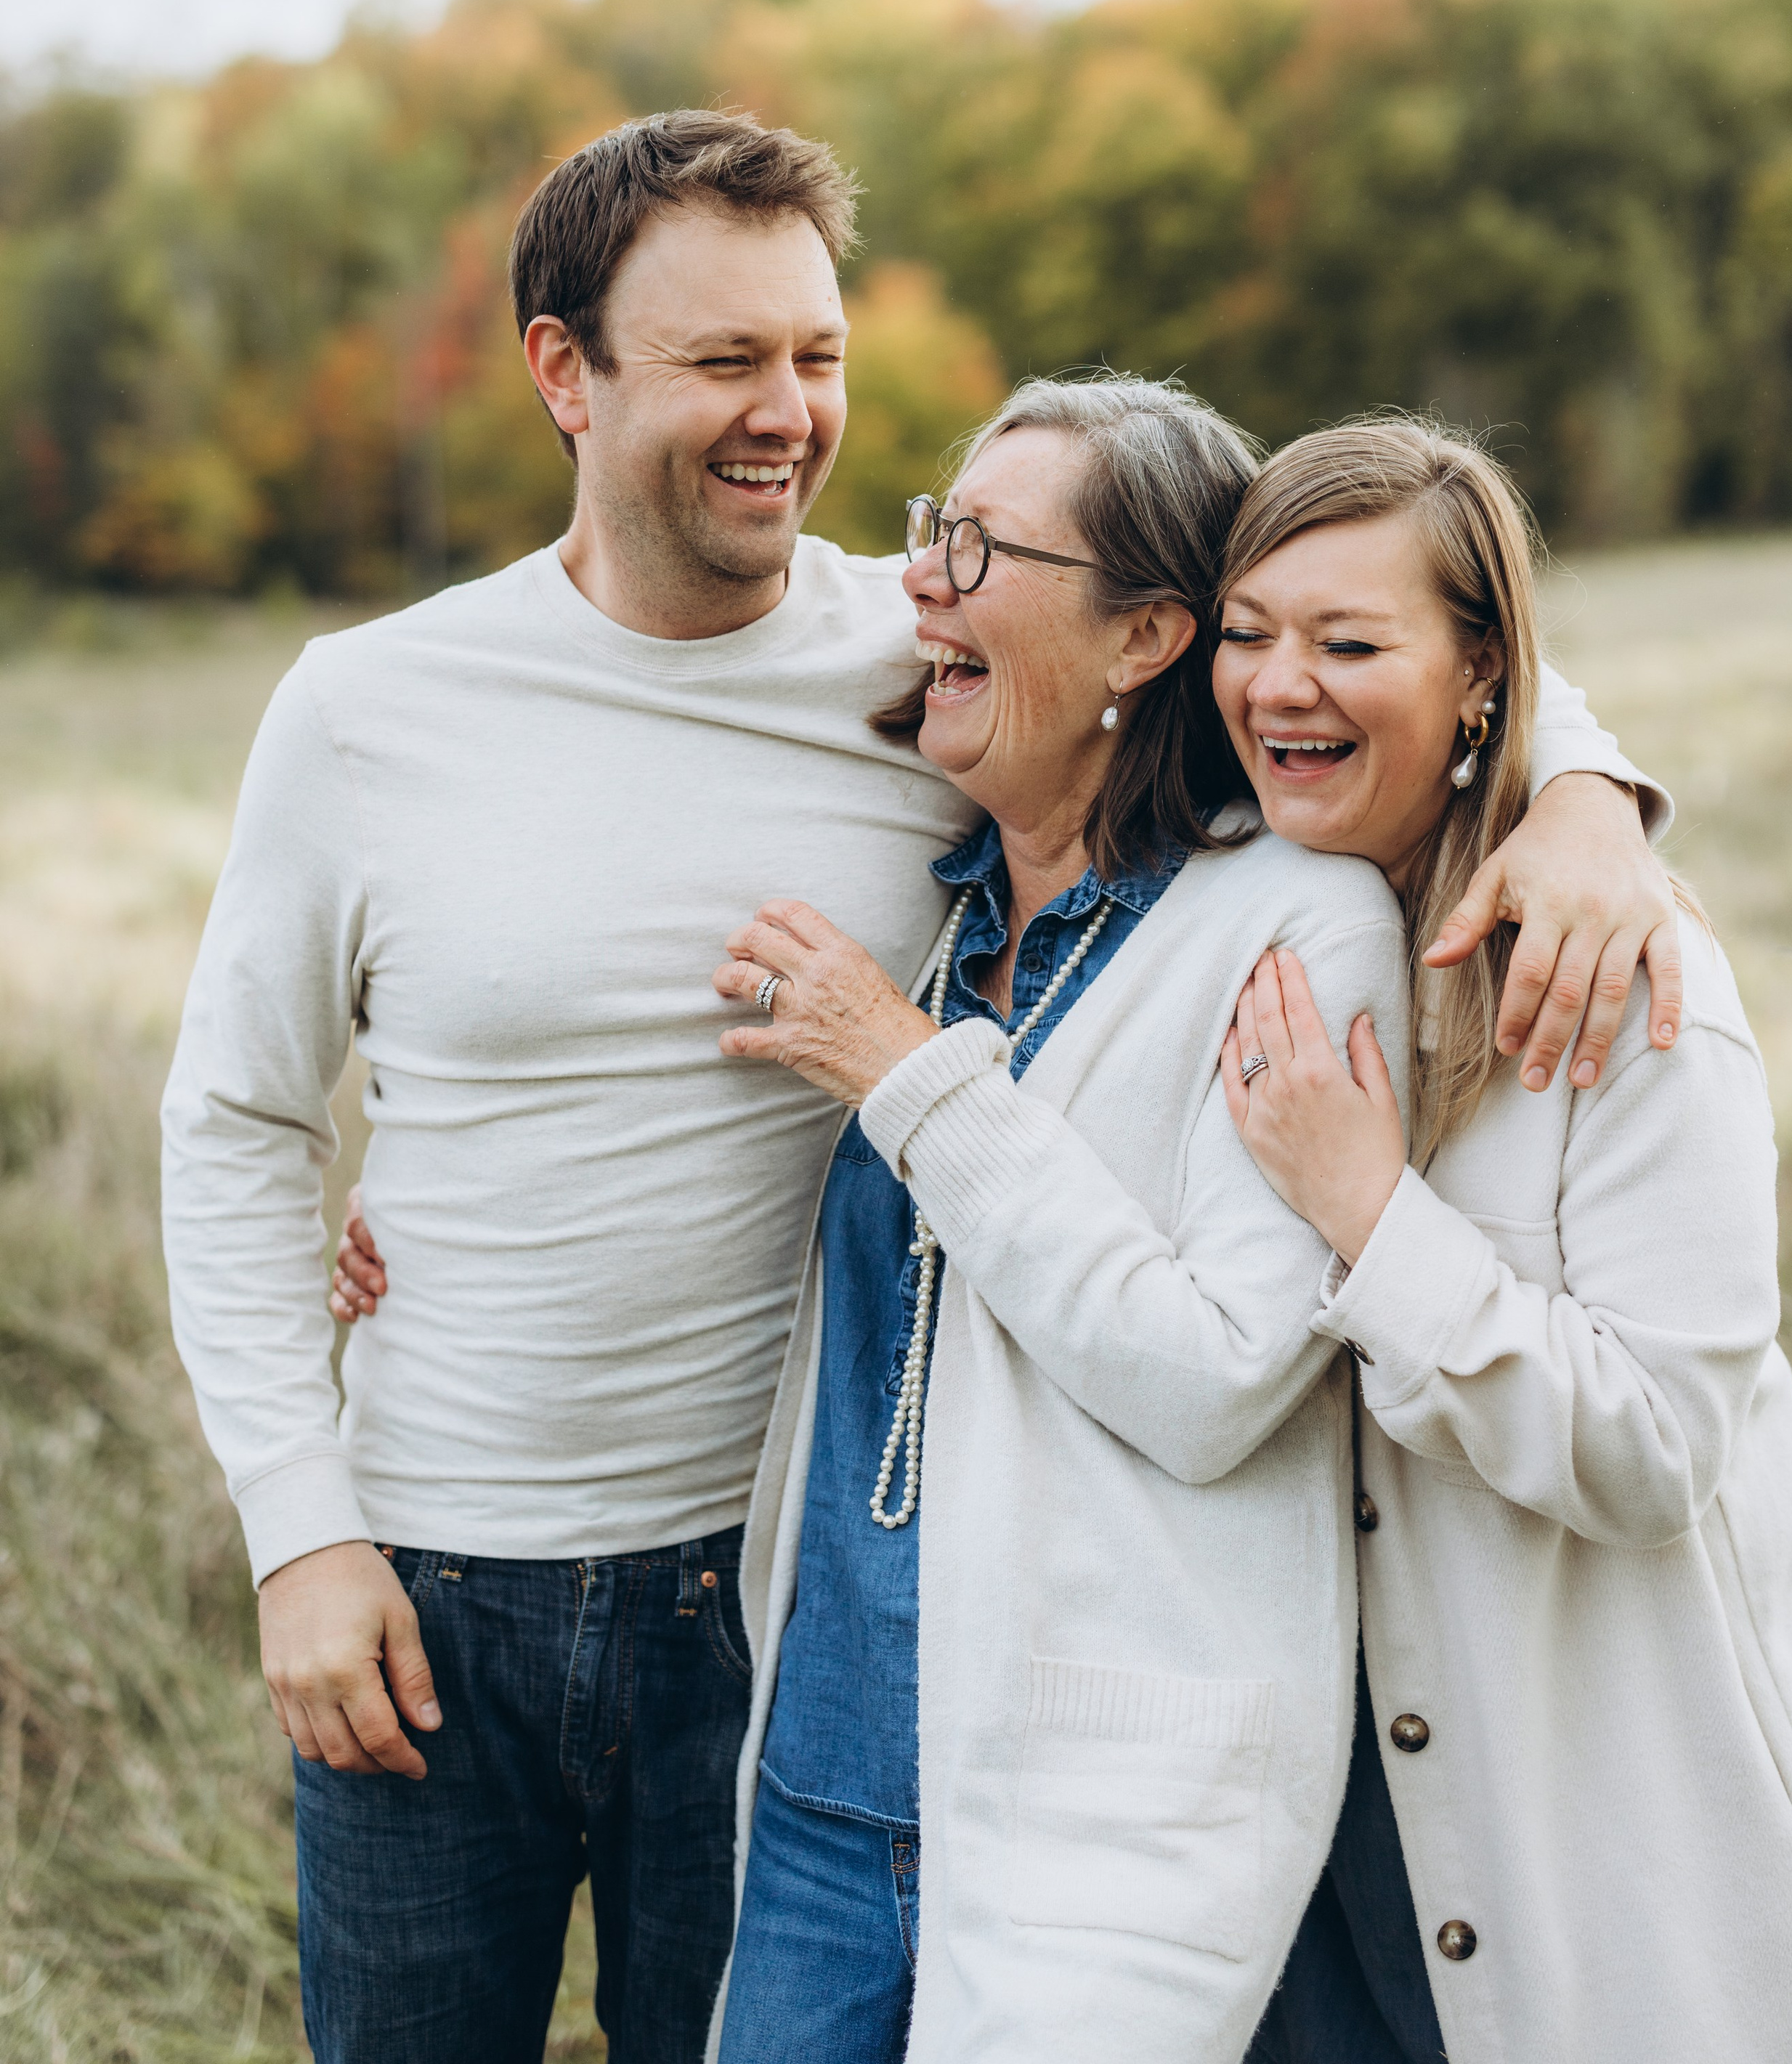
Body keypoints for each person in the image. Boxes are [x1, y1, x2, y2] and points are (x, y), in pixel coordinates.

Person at [196, 102, 1664, 2064]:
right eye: (725, 360)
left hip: (767, 1606)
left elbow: (1295, 602)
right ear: (563, 373)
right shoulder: (368, 711)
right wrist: (301, 1526)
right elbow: (234, 1122)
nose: (789, 413)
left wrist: (1579, 790)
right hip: (422, 1584)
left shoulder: (926, 658)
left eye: (817, 357)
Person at [685, 375, 1663, 2064]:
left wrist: (910, 1081)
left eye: (975, 545)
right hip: (824, 1787)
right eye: (928, 527)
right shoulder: (947, 894)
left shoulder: (1287, 923)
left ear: (1143, 638)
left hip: (1088, 1809)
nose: (920, 577)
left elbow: (1217, 1382)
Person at [1212, 418, 1792, 2064]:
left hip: (1583, 1866)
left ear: (1482, 673)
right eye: (1246, 633)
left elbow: (1651, 1448)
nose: (1277, 684)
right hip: (1292, 1866)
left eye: (1347, 643)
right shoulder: (1228, 910)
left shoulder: (1622, 983)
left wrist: (1366, 1212)